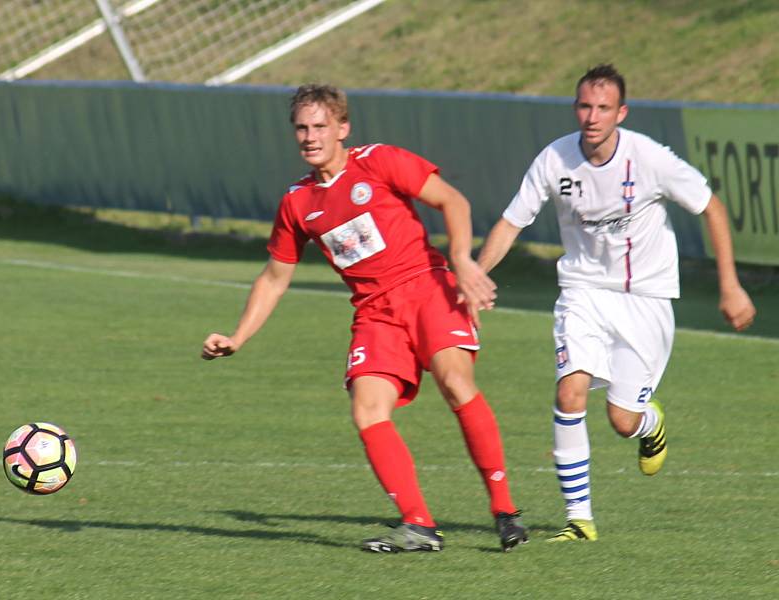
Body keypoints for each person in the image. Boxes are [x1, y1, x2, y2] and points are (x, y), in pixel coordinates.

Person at [201, 83, 528, 553]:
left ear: (342, 128)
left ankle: (504, 511)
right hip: (375, 313)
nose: (310, 137)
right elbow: (274, 278)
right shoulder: (297, 203)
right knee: (366, 409)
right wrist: (238, 336)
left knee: (455, 381)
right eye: (301, 128)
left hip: (428, 288)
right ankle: (419, 526)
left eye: (320, 126)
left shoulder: (377, 162)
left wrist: (463, 260)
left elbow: (453, 201)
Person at [477, 64, 756, 542]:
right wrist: (475, 276)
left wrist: (730, 286)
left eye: (603, 108)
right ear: (575, 108)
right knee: (570, 391)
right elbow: (511, 221)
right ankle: (579, 520)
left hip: (645, 300)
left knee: (621, 420)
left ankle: (649, 422)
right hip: (583, 292)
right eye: (585, 106)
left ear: (620, 113)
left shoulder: (648, 158)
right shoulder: (555, 159)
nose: (592, 116)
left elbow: (711, 206)